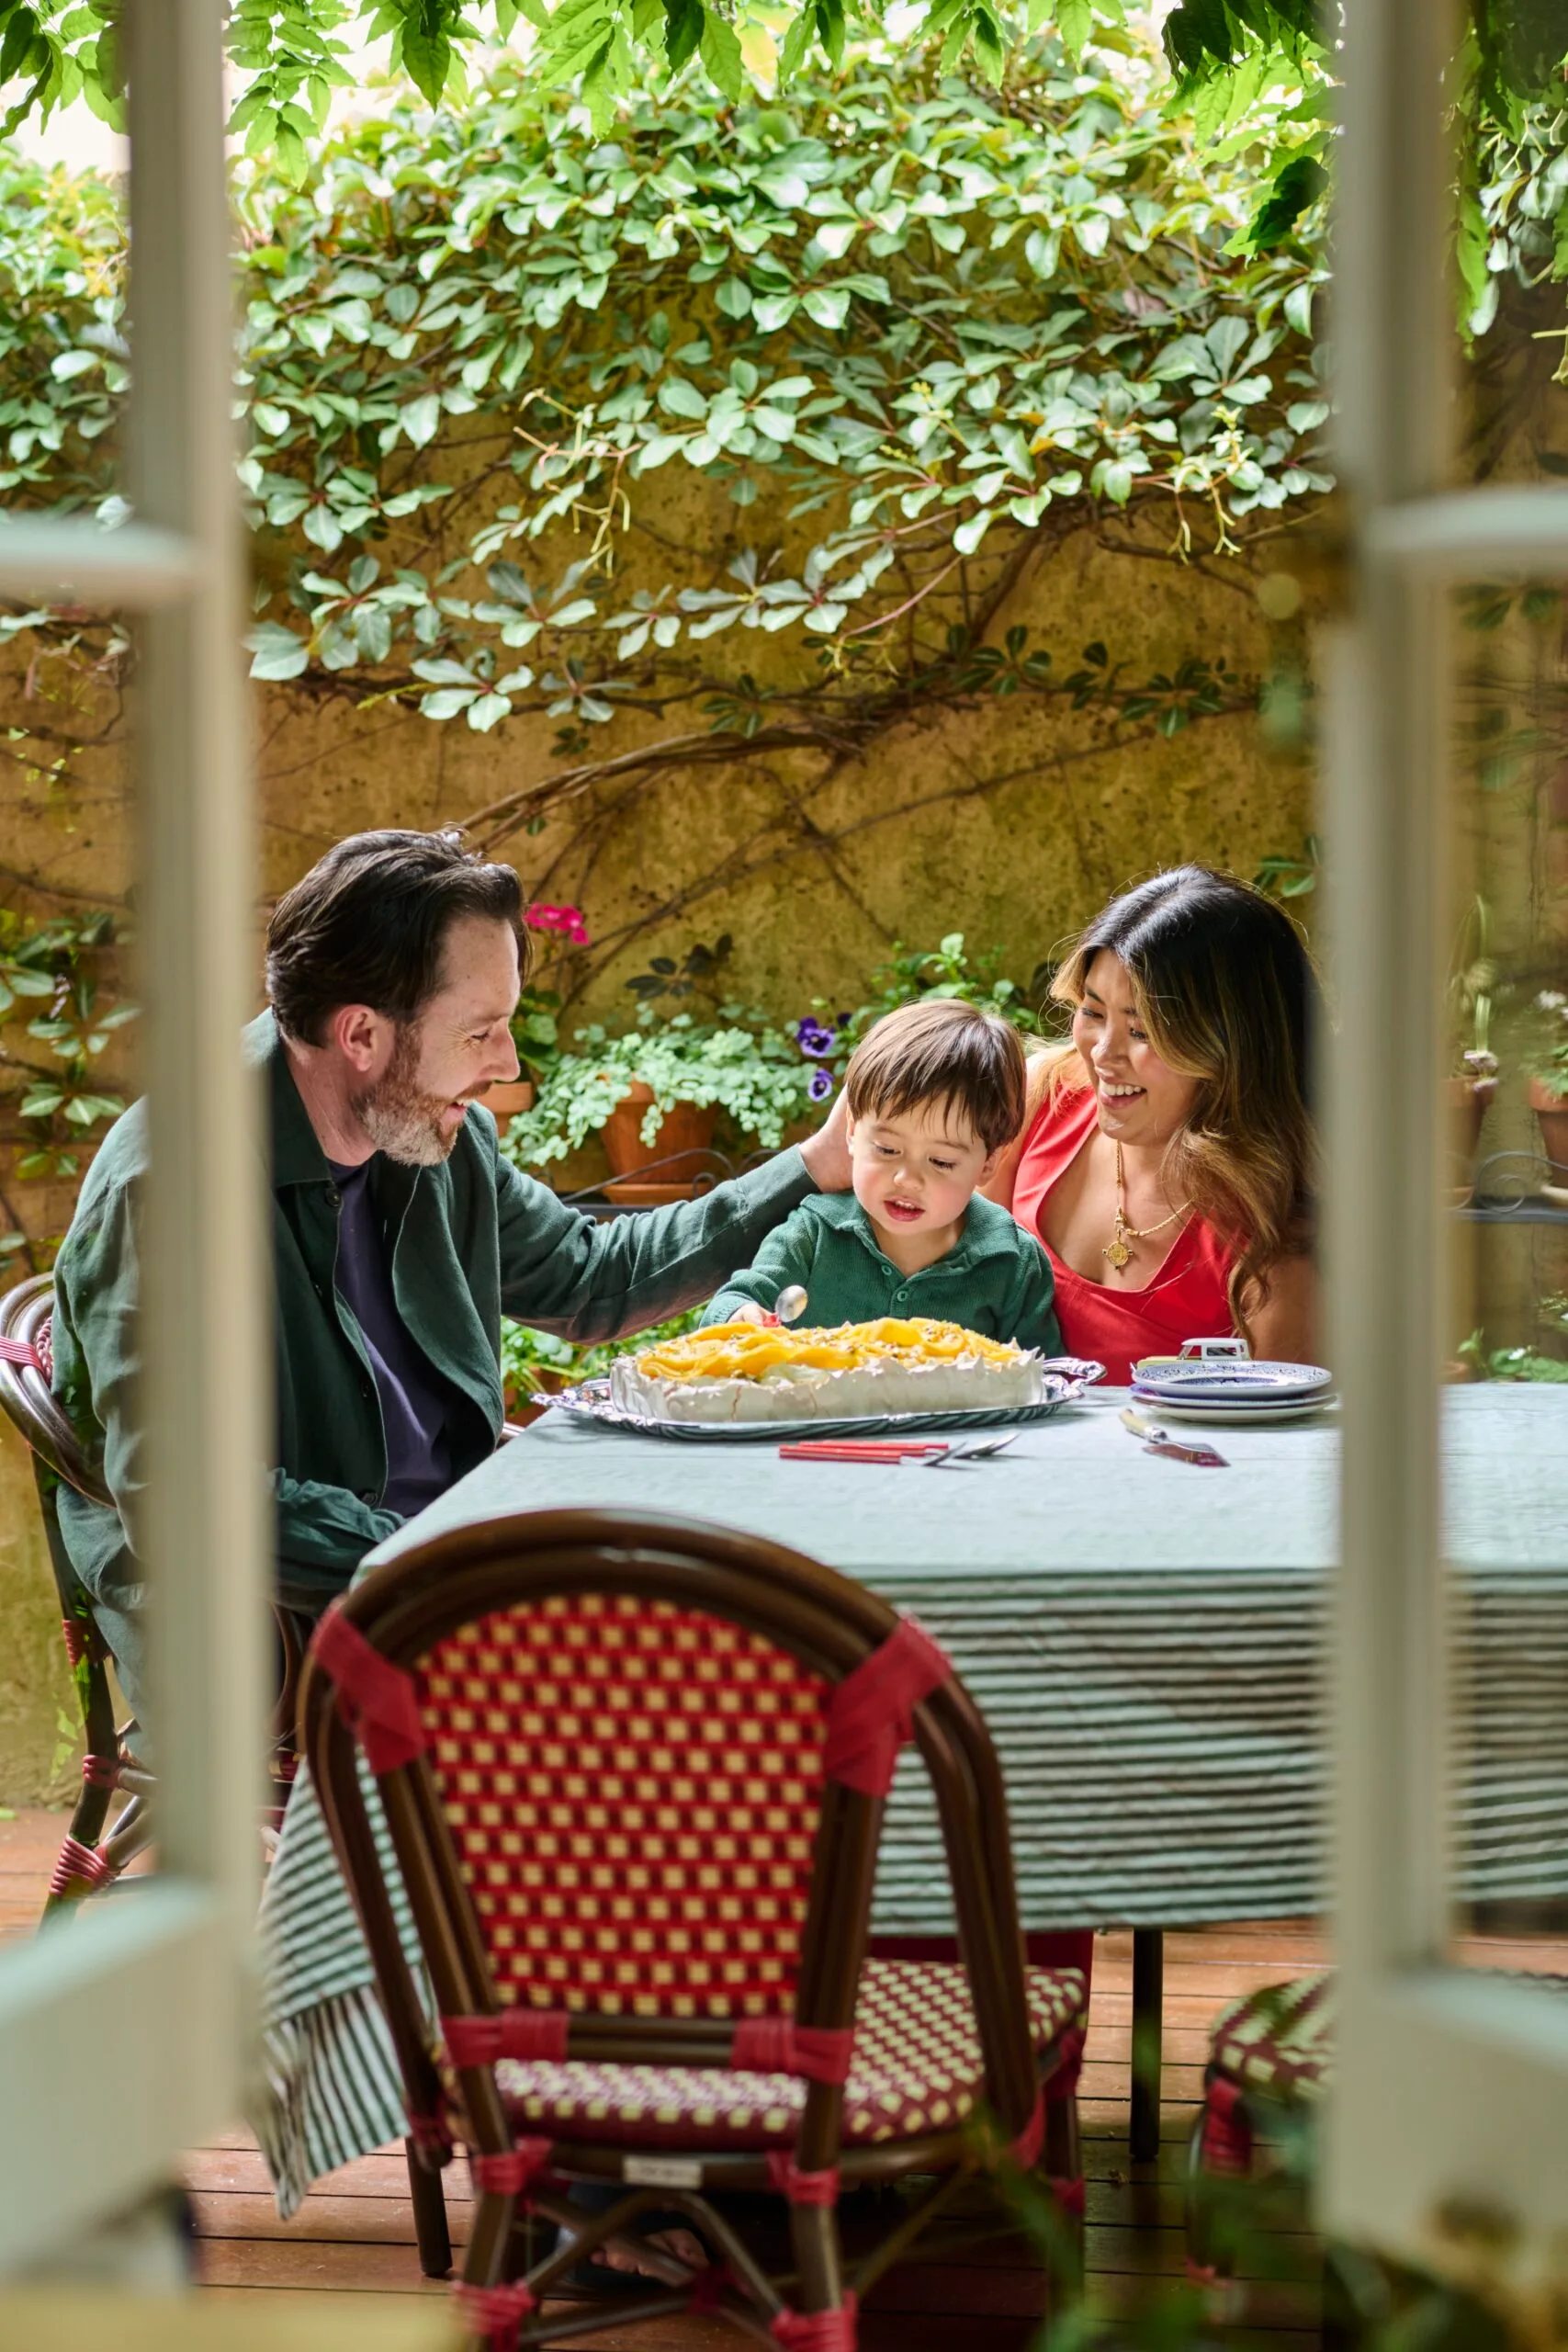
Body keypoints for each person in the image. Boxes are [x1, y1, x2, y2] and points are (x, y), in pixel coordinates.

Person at [49, 829, 851, 1726]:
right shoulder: (173, 1181)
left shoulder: (431, 1133)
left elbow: (593, 1276)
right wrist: (441, 1556)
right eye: (481, 1031)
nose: (509, 1064)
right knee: (680, 1683)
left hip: (433, 1573)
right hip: (273, 1627)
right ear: (361, 1033)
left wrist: (817, 1163)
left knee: (748, 1619)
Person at [984, 866, 1318, 1382]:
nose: (1102, 1054)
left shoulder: (1277, 1234)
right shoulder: (1038, 1100)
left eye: (1142, 1030)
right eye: (1093, 1013)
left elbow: (1280, 1447)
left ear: (1234, 1047)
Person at [704, 997, 1061, 1352]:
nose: (906, 1178)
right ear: (852, 1132)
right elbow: (732, 1302)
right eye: (887, 1150)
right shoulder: (813, 1234)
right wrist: (741, 1316)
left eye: (941, 1161)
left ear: (988, 1163)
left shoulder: (1012, 1261)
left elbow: (1044, 1374)